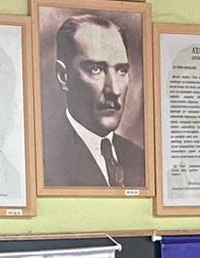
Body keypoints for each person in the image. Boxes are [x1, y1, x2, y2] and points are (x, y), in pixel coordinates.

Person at [42, 13, 147, 189]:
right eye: (96, 69)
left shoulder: (139, 159)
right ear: (63, 76)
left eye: (121, 70)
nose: (114, 90)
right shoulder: (45, 156)